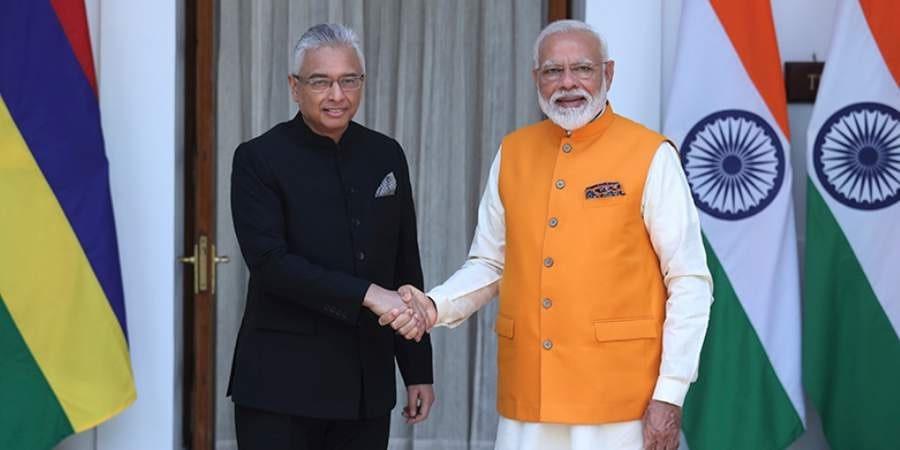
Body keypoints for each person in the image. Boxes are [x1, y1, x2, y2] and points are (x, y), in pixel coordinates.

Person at [383, 20, 712, 450]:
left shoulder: (650, 154)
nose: (568, 83)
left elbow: (688, 279)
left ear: (608, 74)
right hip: (530, 397)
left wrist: (670, 393)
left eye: (583, 69)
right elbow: (489, 263)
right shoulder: (514, 151)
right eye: (553, 71)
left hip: (620, 399)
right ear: (535, 78)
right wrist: (432, 306)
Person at [228, 23, 434, 450]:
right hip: (279, 388)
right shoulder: (258, 158)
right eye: (320, 81)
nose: (336, 95)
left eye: (349, 80)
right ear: (294, 86)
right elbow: (271, 264)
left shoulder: (386, 153)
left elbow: (404, 264)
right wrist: (367, 293)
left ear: (362, 83)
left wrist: (417, 370)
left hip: (365, 385)